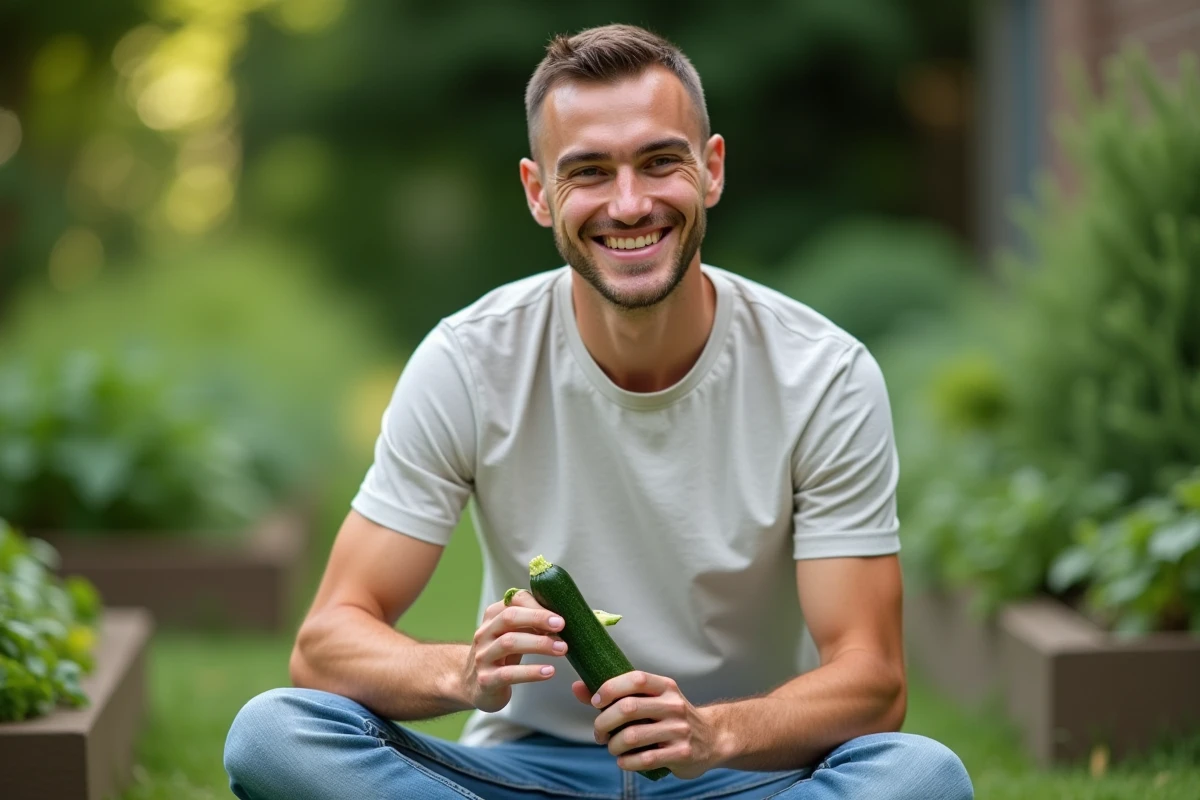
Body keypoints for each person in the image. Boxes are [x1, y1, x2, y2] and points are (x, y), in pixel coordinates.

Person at [224, 23, 974, 800]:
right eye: (588, 171)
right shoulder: (468, 362)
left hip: (736, 774)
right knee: (275, 733)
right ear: (537, 192)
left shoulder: (824, 376)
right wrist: (460, 672)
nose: (629, 203)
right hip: (523, 770)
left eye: (660, 162)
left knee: (921, 775)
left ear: (712, 170)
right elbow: (326, 643)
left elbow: (872, 680)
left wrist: (714, 733)